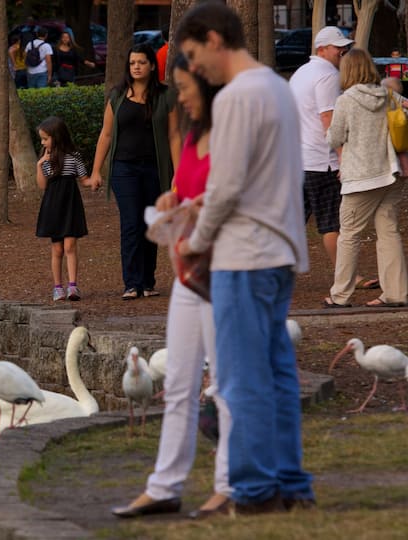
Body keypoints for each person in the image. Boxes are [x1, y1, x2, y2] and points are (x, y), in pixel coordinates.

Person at [175, 1, 314, 514]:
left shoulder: (235, 97)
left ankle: (255, 489)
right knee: (277, 374)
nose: (195, 68)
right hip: (280, 250)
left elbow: (228, 184)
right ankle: (291, 482)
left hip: (242, 254)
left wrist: (195, 238)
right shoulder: (278, 87)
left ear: (214, 38)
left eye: (192, 54)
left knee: (239, 379)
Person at [111, 53, 232, 520]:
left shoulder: (231, 135)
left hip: (223, 268)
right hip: (188, 269)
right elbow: (182, 186)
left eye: (184, 88)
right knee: (179, 380)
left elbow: (234, 196)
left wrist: (202, 212)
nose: (178, 97)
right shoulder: (195, 134)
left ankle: (228, 483)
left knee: (223, 380)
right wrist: (171, 201)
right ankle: (164, 485)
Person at [87, 43, 180, 300]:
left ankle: (147, 281)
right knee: (130, 223)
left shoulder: (165, 96)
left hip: (154, 168)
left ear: (152, 65)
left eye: (141, 62)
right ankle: (131, 282)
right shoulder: (117, 95)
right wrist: (96, 171)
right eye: (132, 63)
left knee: (150, 222)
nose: (136, 67)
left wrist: (178, 172)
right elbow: (106, 135)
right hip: (123, 169)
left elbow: (174, 136)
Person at [288, 27, 375, 289]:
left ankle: (266, 273)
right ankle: (349, 276)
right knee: (331, 223)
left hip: (300, 159)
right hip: (321, 161)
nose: (343, 51)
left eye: (344, 46)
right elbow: (329, 119)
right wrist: (342, 158)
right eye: (339, 47)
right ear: (322, 48)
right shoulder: (326, 75)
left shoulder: (301, 73)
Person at [324, 48, 407, 308]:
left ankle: (341, 295)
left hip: (360, 177)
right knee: (389, 232)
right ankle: (396, 293)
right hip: (391, 173)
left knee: (349, 235)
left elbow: (334, 137)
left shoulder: (346, 100)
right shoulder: (388, 95)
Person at [35, 116, 98, 302]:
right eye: (42, 139)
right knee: (57, 249)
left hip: (70, 204)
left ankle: (73, 285)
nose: (43, 142)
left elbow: (83, 179)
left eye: (45, 138)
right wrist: (40, 164)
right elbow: (42, 185)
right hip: (53, 205)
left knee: (70, 245)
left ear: (57, 136)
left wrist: (93, 181)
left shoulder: (74, 156)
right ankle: (57, 287)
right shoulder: (46, 159)